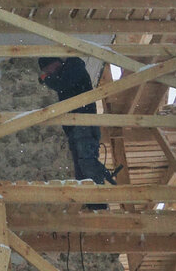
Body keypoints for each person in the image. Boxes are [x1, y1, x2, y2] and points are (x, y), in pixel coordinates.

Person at [37, 57, 119, 200]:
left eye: (47, 70)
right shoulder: (66, 72)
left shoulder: (74, 66)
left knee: (87, 165)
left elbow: (62, 84)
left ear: (54, 64)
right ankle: (89, 201)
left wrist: (46, 79)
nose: (48, 73)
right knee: (82, 170)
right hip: (76, 128)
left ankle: (96, 203)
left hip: (83, 125)